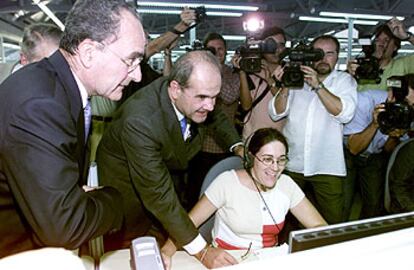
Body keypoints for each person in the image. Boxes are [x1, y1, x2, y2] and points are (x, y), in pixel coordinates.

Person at [0, 0, 146, 258]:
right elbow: (64, 226)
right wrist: (112, 198)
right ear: (89, 52)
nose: (137, 76)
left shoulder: (55, 86)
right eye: (131, 61)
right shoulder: (42, 105)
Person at [96, 50, 243, 266]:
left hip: (165, 187)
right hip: (128, 202)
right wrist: (202, 251)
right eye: (202, 97)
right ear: (175, 89)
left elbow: (217, 117)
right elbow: (158, 195)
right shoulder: (140, 120)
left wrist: (238, 147)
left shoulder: (191, 94)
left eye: (214, 97)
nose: (210, 106)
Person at [162, 128, 327, 268]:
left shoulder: (286, 184)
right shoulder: (227, 182)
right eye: (267, 159)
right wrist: (165, 253)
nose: (275, 168)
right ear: (250, 158)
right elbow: (187, 224)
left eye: (281, 160)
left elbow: (320, 227)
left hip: (268, 261)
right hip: (227, 261)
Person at [269, 35, 357, 224]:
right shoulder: (295, 77)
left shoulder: (344, 81)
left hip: (327, 165)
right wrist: (285, 85)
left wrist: (318, 86)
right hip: (292, 164)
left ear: (337, 56)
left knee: (332, 222)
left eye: (330, 54)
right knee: (283, 220)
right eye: (317, 53)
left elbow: (345, 113)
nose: (323, 59)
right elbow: (276, 112)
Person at [187, 32, 241, 208]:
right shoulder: (197, 73)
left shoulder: (233, 74)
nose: (217, 53)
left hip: (225, 145)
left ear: (226, 51)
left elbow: (229, 96)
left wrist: (214, 69)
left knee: (223, 195)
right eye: (212, 49)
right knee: (196, 193)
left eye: (220, 49)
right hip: (200, 146)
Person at [234, 26, 287, 139]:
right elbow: (246, 106)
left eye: (281, 45)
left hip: (280, 140)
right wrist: (242, 71)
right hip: (252, 138)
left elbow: (286, 106)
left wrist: (269, 80)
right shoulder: (252, 68)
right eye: (271, 45)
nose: (276, 49)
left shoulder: (290, 72)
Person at [348, 17, 414, 91]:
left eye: (386, 40)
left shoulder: (403, 65)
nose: (381, 44)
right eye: (377, 40)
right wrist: (349, 75)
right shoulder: (362, 67)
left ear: (395, 46)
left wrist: (407, 37)